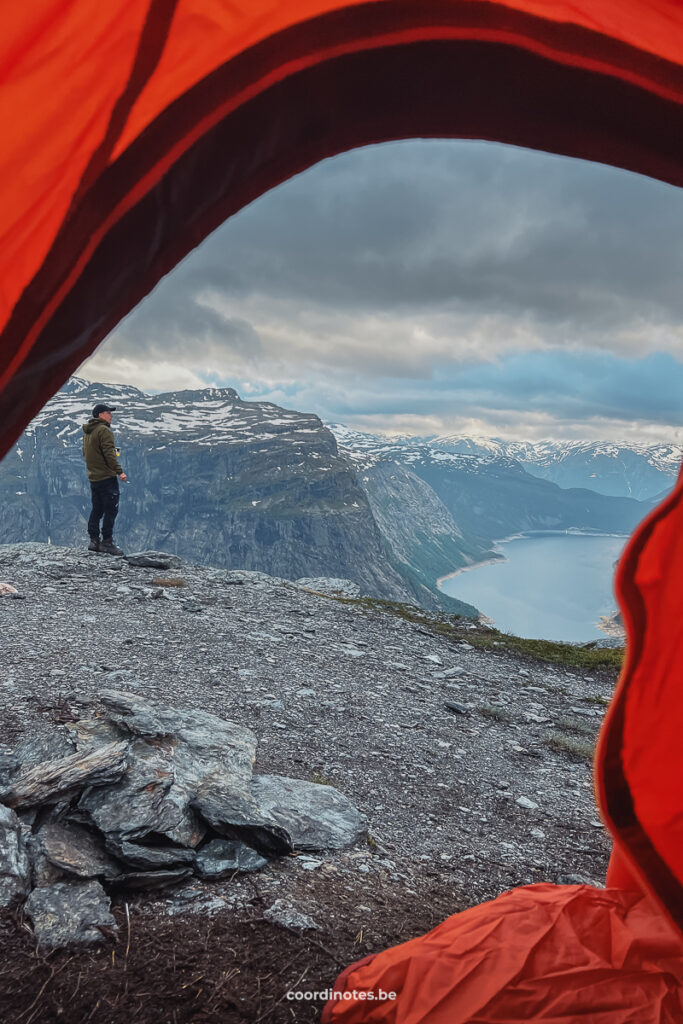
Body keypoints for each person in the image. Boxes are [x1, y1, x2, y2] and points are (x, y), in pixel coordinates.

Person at [82, 403, 127, 554]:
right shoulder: (104, 430)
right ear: (100, 414)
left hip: (94, 478)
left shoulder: (88, 432)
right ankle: (107, 542)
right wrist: (119, 471)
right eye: (108, 413)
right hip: (107, 477)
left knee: (97, 508)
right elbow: (109, 454)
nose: (111, 415)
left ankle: (94, 541)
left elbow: (86, 454)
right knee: (111, 509)